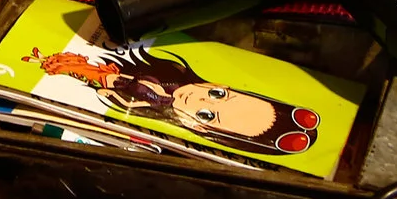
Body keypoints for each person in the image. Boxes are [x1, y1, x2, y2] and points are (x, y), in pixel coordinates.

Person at [29, 46, 320, 158]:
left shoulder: (150, 113)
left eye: (206, 114)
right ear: (220, 85)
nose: (197, 97)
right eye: (218, 95)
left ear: (205, 131)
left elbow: (111, 94)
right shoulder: (169, 73)